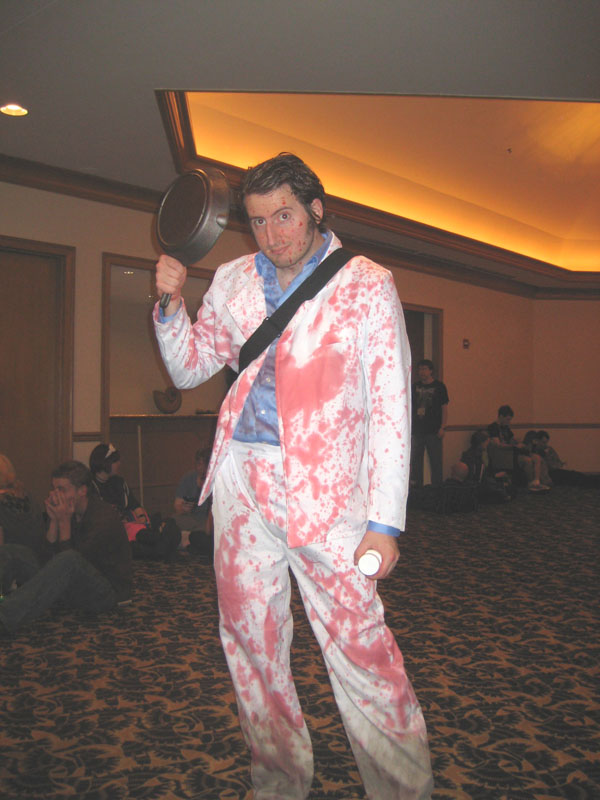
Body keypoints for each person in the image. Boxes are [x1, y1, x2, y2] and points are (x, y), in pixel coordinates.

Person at [153, 153, 433, 799]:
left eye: (284, 216)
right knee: (250, 642)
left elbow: (392, 408)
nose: (272, 235)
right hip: (243, 485)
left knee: (359, 646)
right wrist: (170, 305)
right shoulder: (231, 280)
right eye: (257, 222)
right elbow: (190, 368)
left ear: (315, 209)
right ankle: (278, 779)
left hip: (330, 497)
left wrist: (385, 523)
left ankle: (401, 787)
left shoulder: (366, 284)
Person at [0, 460, 132, 633]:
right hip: (72, 586)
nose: (55, 494)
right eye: (54, 489)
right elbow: (46, 560)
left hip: (106, 592)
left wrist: (63, 522)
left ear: (82, 490)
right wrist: (54, 522)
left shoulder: (103, 519)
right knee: (13, 552)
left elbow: (73, 564)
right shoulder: (70, 510)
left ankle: (4, 617)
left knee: (69, 559)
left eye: (61, 489)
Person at [89, 443, 180, 561]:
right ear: (105, 463)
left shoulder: (119, 481)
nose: (119, 464)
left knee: (170, 523)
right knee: (153, 538)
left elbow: (134, 503)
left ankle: (161, 547)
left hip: (133, 524)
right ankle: (163, 547)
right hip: (115, 530)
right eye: (116, 461)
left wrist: (142, 519)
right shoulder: (91, 485)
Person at [487, 405, 549, 492]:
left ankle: (537, 481)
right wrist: (514, 446)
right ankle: (530, 484)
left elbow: (512, 439)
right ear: (501, 416)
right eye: (508, 419)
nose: (509, 422)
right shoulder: (493, 428)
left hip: (513, 451)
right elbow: (498, 445)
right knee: (527, 461)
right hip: (505, 455)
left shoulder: (505, 427)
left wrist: (521, 443)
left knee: (537, 457)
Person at [410, 359, 449, 487]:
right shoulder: (414, 387)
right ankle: (418, 489)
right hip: (417, 430)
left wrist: (443, 426)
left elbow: (444, 408)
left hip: (434, 430)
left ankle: (437, 490)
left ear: (431, 371)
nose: (422, 372)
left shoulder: (439, 386)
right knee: (416, 461)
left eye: (425, 369)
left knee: (435, 461)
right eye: (420, 369)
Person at [173, 447, 213, 557]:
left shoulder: (215, 480)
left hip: (206, 520)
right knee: (173, 521)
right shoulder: (188, 478)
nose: (200, 468)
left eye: (204, 465)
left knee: (206, 530)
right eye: (198, 464)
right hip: (190, 518)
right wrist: (183, 508)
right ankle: (189, 540)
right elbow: (177, 505)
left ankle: (189, 541)